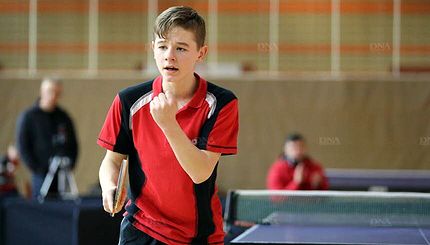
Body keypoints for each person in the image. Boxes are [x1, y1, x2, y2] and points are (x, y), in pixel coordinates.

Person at [98, 6, 239, 245]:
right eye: (162, 46)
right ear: (153, 47)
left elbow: (200, 172)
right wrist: (109, 186)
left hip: (198, 236)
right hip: (140, 229)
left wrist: (168, 124)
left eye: (181, 48)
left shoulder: (221, 103)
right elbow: (112, 159)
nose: (169, 56)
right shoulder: (128, 100)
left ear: (201, 53)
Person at [16, 78, 78, 199]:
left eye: (57, 93)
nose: (53, 96)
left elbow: (74, 144)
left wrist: (69, 164)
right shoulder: (29, 117)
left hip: (62, 174)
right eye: (50, 91)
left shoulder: (63, 117)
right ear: (42, 92)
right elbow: (23, 146)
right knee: (41, 207)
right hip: (41, 175)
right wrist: (38, 168)